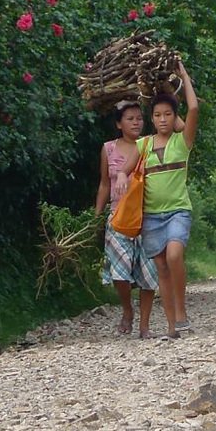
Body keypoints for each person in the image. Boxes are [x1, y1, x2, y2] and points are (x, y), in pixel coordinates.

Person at [127, 61, 198, 339]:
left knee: (175, 255)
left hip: (178, 211)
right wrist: (122, 180)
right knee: (162, 270)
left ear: (174, 117)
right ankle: (172, 326)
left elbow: (193, 109)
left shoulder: (183, 142)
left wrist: (184, 75)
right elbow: (125, 171)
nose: (163, 119)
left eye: (168, 114)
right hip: (150, 216)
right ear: (152, 118)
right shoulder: (142, 145)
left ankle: (181, 311)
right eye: (157, 115)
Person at [93, 100, 159, 338]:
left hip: (148, 216)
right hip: (118, 217)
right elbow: (104, 183)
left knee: (149, 273)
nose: (136, 122)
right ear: (119, 124)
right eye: (130, 119)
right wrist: (97, 215)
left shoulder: (151, 144)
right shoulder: (108, 149)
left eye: (139, 118)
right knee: (119, 272)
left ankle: (145, 326)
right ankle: (127, 310)